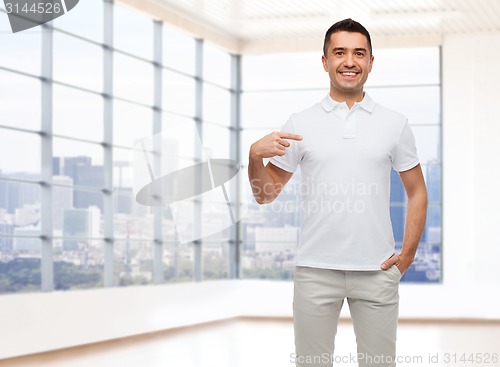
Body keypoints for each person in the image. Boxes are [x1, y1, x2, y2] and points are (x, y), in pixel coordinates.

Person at [247, 18, 428, 367]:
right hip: (315, 271)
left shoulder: (395, 124)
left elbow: (417, 191)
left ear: (371, 62)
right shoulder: (300, 123)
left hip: (376, 271)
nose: (349, 61)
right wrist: (254, 155)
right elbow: (265, 194)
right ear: (325, 61)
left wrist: (406, 255)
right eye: (339, 52)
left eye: (359, 53)